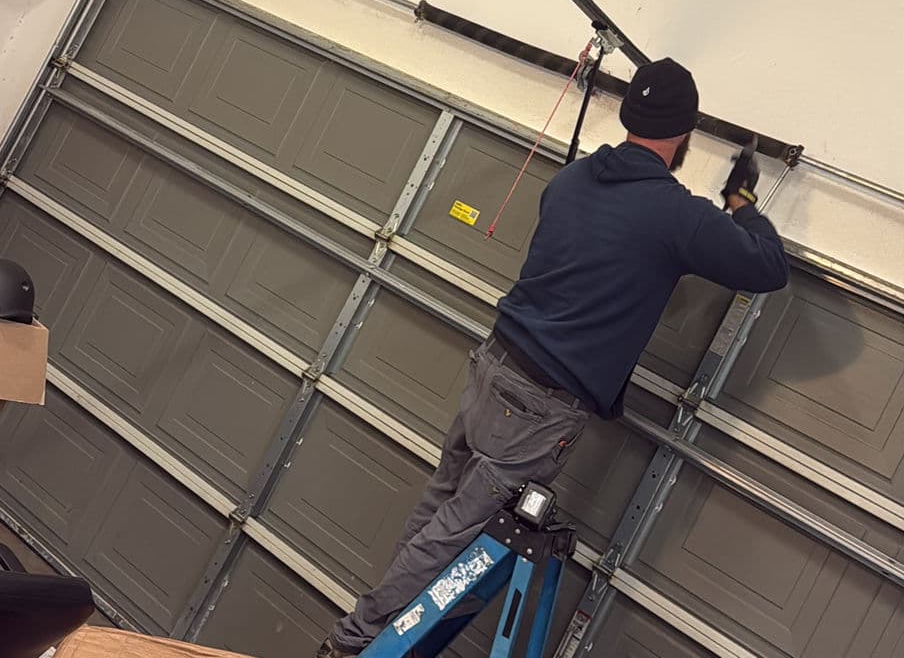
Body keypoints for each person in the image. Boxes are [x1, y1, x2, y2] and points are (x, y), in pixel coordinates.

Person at [318, 58, 788, 657]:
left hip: (494, 367)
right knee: (450, 538)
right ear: (683, 135)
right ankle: (353, 645)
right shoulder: (677, 213)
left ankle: (368, 629)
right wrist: (741, 200)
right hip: (539, 407)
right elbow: (767, 267)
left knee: (437, 512)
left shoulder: (571, 180)